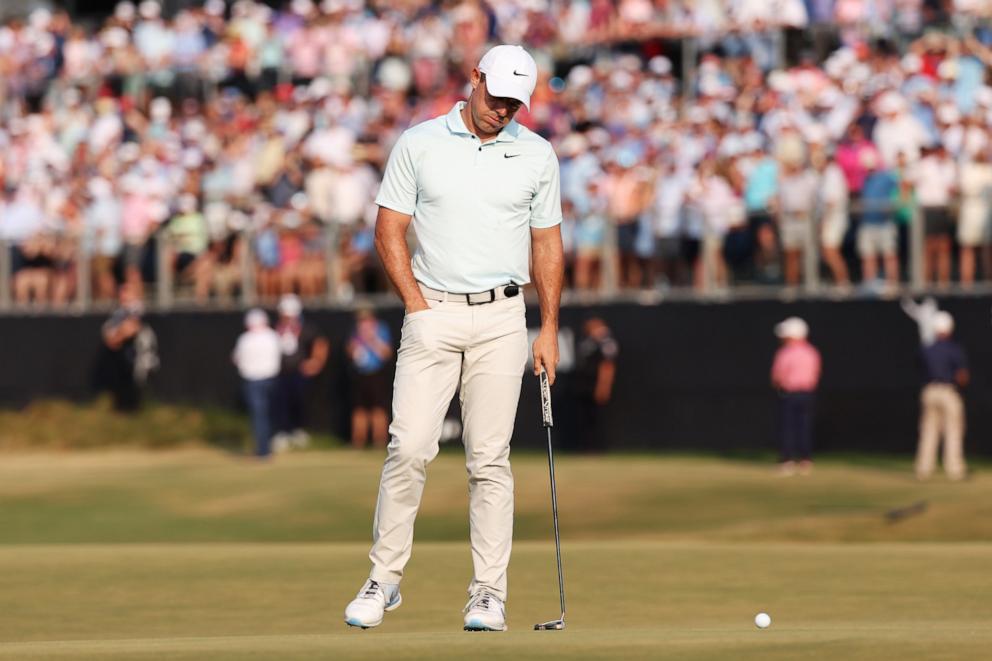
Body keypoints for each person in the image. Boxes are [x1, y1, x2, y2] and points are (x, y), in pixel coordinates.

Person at [344, 45, 563, 633]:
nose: (504, 112)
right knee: (409, 447)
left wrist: (548, 327)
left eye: (516, 103)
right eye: (497, 98)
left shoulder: (537, 154)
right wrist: (415, 304)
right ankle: (383, 579)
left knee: (489, 460)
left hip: (503, 318)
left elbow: (546, 242)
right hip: (433, 311)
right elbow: (389, 228)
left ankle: (488, 593)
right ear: (474, 80)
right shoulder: (418, 143)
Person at [272, 293, 329, 452]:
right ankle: (282, 432)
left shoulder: (307, 328)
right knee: (281, 403)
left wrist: (316, 362)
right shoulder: (275, 327)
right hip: (279, 372)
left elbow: (320, 343)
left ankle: (298, 430)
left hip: (299, 372)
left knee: (299, 401)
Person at [916, 311, 969, 481]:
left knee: (928, 431)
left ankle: (923, 469)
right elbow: (962, 376)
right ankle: (954, 470)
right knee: (953, 430)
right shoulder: (954, 349)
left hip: (929, 390)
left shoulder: (927, 349)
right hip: (947, 391)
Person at [770, 317, 821, 476]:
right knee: (803, 426)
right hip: (807, 394)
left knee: (788, 427)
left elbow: (777, 375)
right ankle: (805, 460)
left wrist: (779, 384)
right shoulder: (811, 351)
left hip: (790, 394)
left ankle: (787, 460)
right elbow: (816, 373)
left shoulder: (785, 352)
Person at [100, 283, 158, 412]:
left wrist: (116, 337)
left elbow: (130, 329)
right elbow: (107, 332)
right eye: (122, 292)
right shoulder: (119, 312)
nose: (123, 295)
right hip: (125, 360)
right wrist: (115, 337)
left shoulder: (138, 309)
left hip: (141, 359)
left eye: (127, 292)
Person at [232, 308, 281, 458]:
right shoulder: (273, 336)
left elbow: (237, 359)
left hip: (253, 381)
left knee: (259, 416)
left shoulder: (245, 339)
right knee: (269, 414)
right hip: (272, 379)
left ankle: (263, 450)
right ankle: (268, 446)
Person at [346, 307, 393, 449]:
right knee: (359, 409)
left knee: (378, 409)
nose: (363, 322)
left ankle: (379, 441)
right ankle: (358, 442)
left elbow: (386, 353)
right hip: (360, 373)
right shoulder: (356, 331)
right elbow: (350, 351)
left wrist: (371, 339)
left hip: (376, 373)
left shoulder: (381, 330)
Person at [573, 317, 618, 452]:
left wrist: (603, 387)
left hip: (595, 387)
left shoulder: (606, 343)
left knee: (596, 420)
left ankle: (597, 449)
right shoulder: (587, 343)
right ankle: (586, 448)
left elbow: (607, 366)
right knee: (584, 419)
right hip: (584, 388)